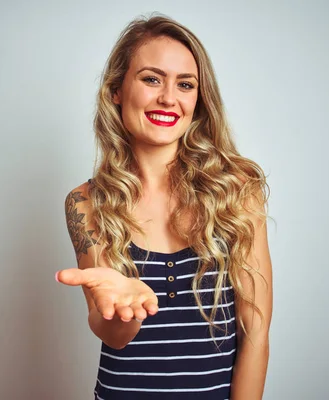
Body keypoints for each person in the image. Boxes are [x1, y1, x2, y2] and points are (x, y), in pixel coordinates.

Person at [56, 14, 272, 400]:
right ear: (117, 90)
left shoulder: (238, 191)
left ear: (198, 101)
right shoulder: (86, 202)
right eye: (151, 79)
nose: (168, 98)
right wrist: (123, 309)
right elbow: (114, 337)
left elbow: (255, 334)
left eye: (185, 85)